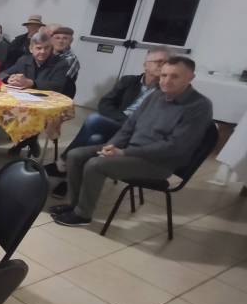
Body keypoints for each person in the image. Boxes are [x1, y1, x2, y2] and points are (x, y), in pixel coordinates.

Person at [51, 56, 213, 227]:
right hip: (130, 150)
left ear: (190, 78)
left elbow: (174, 146)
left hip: (158, 162)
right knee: (75, 155)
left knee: (95, 164)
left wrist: (124, 152)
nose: (166, 81)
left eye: (175, 76)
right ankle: (74, 205)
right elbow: (129, 126)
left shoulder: (199, 106)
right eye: (164, 75)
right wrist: (112, 145)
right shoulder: (155, 95)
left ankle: (83, 215)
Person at [46, 47, 170, 198]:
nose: (163, 66)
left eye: (166, 62)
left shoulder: (166, 91)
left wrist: (129, 124)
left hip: (134, 133)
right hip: (117, 123)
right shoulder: (129, 81)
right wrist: (123, 119)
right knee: (95, 138)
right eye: (158, 62)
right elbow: (105, 103)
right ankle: (69, 178)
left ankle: (63, 163)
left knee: (94, 120)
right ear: (145, 65)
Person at [0, 31, 68, 156]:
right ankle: (29, 141)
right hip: (22, 101)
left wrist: (31, 83)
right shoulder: (23, 60)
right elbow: (2, 74)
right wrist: (8, 79)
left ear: (51, 48)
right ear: (31, 49)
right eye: (38, 48)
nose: (43, 51)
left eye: (46, 48)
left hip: (46, 102)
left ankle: (23, 142)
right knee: (4, 111)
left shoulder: (60, 63)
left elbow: (57, 85)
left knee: (31, 115)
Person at [51, 26, 80, 96]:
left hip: (61, 94)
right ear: (52, 40)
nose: (60, 41)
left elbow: (60, 83)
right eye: (57, 38)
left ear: (71, 41)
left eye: (65, 38)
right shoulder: (45, 54)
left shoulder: (71, 59)